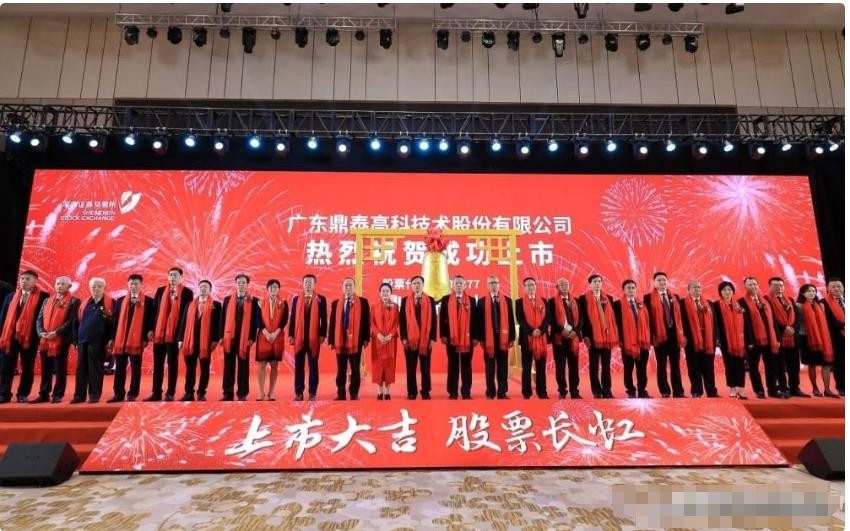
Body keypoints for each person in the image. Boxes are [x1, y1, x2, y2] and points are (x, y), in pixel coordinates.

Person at [0, 270, 49, 403]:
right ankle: (4, 394)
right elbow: (3, 316)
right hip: (9, 337)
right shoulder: (11, 296)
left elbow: (43, 318)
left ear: (35, 281)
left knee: (27, 366)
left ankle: (22, 393)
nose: (24, 281)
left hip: (29, 337)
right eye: (22, 278)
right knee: (6, 366)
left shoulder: (43, 296)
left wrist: (41, 334)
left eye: (27, 279)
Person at [147, 267, 194, 402]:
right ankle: (156, 392)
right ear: (168, 277)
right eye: (171, 275)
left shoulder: (187, 293)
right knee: (158, 364)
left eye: (175, 275)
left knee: (172, 364)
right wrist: (151, 329)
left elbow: (187, 315)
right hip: (159, 333)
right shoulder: (161, 290)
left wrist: (181, 335)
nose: (173, 277)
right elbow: (154, 311)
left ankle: (170, 392)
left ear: (181, 277)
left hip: (174, 334)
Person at [107, 274, 155, 403]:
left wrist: (145, 338)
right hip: (120, 340)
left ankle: (133, 393)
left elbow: (150, 322)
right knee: (119, 368)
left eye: (136, 284)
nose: (133, 286)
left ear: (141, 285)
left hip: (137, 341)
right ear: (128, 285)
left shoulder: (149, 301)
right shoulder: (120, 301)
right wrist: (112, 338)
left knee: (135, 368)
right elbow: (115, 321)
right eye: (131, 284)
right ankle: (118, 394)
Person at [34, 276, 80, 403]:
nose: (59, 286)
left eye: (62, 284)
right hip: (45, 340)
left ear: (69, 286)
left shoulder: (74, 301)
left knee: (60, 368)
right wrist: (41, 333)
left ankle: (57, 394)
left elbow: (71, 321)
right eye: (58, 283)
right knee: (46, 368)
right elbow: (39, 319)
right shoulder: (47, 300)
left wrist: (56, 333)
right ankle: (43, 394)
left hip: (61, 339)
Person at [71, 277, 114, 404]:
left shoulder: (110, 303)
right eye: (93, 286)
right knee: (81, 369)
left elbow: (114, 324)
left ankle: (94, 395)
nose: (96, 288)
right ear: (90, 288)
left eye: (99, 286)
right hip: (83, 340)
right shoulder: (85, 303)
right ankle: (79, 396)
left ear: (104, 288)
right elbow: (76, 323)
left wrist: (111, 339)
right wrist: (75, 340)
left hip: (99, 342)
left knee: (95, 369)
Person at [177, 280, 221, 401]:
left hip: (205, 342)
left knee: (204, 369)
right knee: (190, 369)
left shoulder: (216, 305)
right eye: (201, 287)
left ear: (210, 290)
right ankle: (189, 393)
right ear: (198, 289)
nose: (203, 289)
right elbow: (183, 322)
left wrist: (215, 340)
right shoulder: (190, 304)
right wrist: (180, 338)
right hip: (189, 340)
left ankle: (201, 393)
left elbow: (217, 324)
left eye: (206, 287)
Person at [644, 272, 687, 398]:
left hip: (674, 335)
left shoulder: (675, 297)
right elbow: (647, 319)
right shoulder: (648, 298)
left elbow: (680, 318)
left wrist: (682, 334)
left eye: (664, 280)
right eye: (659, 280)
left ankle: (678, 391)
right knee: (662, 364)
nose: (662, 282)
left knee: (675, 364)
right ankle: (665, 391)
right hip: (659, 335)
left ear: (667, 282)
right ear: (654, 283)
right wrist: (652, 336)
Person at [739, 277, 781, 399]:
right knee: (753, 367)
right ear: (745, 287)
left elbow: (773, 320)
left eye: (755, 284)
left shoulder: (765, 301)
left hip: (769, 339)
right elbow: (744, 324)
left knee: (771, 366)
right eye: (750, 284)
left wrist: (777, 338)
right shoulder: (741, 302)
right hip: (753, 340)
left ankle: (773, 390)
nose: (753, 287)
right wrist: (748, 340)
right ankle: (759, 390)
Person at [328, 278, 371, 401]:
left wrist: (366, 338)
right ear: (342, 288)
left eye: (350, 285)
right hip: (340, 341)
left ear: (354, 287)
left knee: (355, 369)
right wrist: (331, 340)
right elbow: (332, 323)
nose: (348, 287)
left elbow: (366, 322)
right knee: (341, 369)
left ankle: (354, 393)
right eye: (346, 285)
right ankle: (341, 393)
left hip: (356, 341)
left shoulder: (363, 302)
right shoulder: (336, 303)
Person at [578, 274, 619, 399]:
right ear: (590, 284)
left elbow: (613, 318)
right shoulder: (583, 299)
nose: (597, 284)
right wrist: (585, 336)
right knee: (594, 365)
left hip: (607, 337)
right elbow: (582, 319)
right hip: (593, 337)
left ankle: (607, 390)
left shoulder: (609, 298)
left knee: (606, 365)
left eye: (599, 281)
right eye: (594, 282)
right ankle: (596, 390)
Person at [288, 274, 327, 401]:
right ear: (302, 284)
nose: (308, 284)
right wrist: (291, 334)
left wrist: (322, 334)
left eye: (310, 282)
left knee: (313, 366)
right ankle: (298, 393)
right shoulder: (296, 299)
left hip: (314, 338)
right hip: (299, 338)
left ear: (314, 284)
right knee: (299, 366)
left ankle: (312, 393)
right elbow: (292, 318)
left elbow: (324, 319)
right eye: (306, 282)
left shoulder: (321, 299)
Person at [476, 275, 515, 399]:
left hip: (503, 338)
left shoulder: (507, 300)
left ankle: (502, 392)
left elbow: (511, 320)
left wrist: (512, 337)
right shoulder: (481, 301)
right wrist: (481, 339)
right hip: (489, 339)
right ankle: (490, 392)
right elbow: (479, 323)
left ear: (499, 285)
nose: (494, 285)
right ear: (488, 285)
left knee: (503, 367)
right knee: (490, 367)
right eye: (491, 283)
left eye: (496, 283)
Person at [765, 277, 806, 397]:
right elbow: (769, 318)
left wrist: (793, 329)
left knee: (794, 364)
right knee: (779, 365)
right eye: (776, 285)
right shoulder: (766, 300)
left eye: (781, 285)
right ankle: (783, 387)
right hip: (778, 337)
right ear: (770, 286)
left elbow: (798, 316)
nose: (779, 288)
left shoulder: (789, 300)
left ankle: (794, 387)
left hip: (793, 337)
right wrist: (783, 329)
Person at [399, 276, 437, 400]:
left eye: (419, 283)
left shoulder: (430, 300)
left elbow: (434, 320)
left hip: (426, 340)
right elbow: (402, 321)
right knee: (411, 367)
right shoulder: (405, 300)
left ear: (423, 285)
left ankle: (425, 391)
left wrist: (432, 338)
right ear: (411, 286)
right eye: (414, 283)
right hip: (410, 340)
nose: (417, 285)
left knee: (425, 367)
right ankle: (412, 392)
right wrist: (404, 338)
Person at [797, 284, 838, 397]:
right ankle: (815, 388)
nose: (812, 293)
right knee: (812, 364)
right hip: (807, 338)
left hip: (823, 338)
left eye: (813, 291)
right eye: (809, 291)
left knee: (826, 364)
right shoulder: (799, 306)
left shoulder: (820, 305)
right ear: (802, 293)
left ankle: (827, 389)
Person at [440, 275, 477, 400]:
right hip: (452, 338)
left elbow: (475, 320)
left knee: (467, 365)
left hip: (467, 338)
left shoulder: (472, 300)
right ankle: (452, 392)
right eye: (456, 283)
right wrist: (443, 335)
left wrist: (475, 337)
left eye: (461, 283)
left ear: (465, 285)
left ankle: (466, 392)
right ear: (452, 285)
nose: (459, 285)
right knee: (453, 365)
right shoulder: (446, 300)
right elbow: (442, 318)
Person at [221, 274, 257, 401]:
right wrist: (221, 336)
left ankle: (242, 393)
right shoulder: (227, 300)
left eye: (243, 283)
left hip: (244, 339)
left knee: (243, 366)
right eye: (239, 282)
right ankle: (227, 393)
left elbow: (254, 322)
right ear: (235, 284)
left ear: (247, 285)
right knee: (228, 366)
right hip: (229, 338)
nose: (241, 285)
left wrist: (252, 337)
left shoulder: (253, 301)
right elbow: (222, 319)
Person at [680, 280, 719, 398]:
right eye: (694, 287)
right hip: (691, 340)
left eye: (699, 287)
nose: (697, 289)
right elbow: (680, 322)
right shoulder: (682, 304)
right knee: (694, 367)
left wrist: (716, 338)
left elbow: (715, 322)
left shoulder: (709, 303)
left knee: (709, 367)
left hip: (708, 340)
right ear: (689, 290)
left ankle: (711, 391)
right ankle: (696, 391)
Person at [613, 279, 651, 398]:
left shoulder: (642, 304)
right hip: (627, 342)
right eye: (628, 288)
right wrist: (620, 339)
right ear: (623, 290)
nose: (631, 290)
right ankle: (630, 390)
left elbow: (648, 322)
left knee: (642, 368)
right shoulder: (618, 305)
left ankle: (642, 390)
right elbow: (616, 324)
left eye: (633, 288)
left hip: (642, 341)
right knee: (628, 368)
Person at [547, 278, 583, 399]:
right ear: (557, 287)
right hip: (559, 338)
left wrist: (575, 331)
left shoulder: (576, 300)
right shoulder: (552, 301)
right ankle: (562, 390)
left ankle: (574, 391)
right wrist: (562, 330)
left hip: (573, 338)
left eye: (566, 284)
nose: (564, 286)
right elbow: (550, 319)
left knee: (574, 366)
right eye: (562, 285)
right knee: (560, 366)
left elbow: (581, 319)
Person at [713, 281, 749, 399]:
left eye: (729, 289)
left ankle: (741, 388)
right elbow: (715, 324)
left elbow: (746, 324)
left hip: (740, 341)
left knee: (740, 364)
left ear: (733, 291)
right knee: (729, 364)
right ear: (720, 292)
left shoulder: (739, 305)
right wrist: (717, 339)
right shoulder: (716, 305)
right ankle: (732, 388)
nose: (727, 292)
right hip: (725, 341)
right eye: (724, 290)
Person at [515, 277, 549, 399]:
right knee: (527, 367)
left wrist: (540, 330)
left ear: (536, 286)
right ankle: (526, 392)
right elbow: (520, 319)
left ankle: (542, 392)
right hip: (527, 338)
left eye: (533, 285)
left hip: (541, 338)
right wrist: (531, 331)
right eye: (528, 285)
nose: (531, 287)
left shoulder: (544, 301)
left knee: (541, 367)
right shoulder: (519, 302)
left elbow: (547, 318)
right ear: (524, 287)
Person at [255, 279, 288, 401]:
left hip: (277, 336)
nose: (273, 289)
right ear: (267, 289)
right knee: (262, 364)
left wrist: (275, 333)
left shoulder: (283, 303)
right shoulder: (260, 302)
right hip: (263, 336)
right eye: (271, 287)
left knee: (274, 364)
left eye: (275, 287)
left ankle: (271, 392)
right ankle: (261, 392)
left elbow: (284, 321)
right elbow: (258, 320)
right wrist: (266, 333)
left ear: (278, 289)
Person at [371, 282, 399, 400]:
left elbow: (396, 323)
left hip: (390, 341)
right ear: (379, 293)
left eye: (387, 291)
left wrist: (390, 335)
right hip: (377, 340)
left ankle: (387, 391)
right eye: (383, 291)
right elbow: (372, 323)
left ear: (391, 293)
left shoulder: (395, 306)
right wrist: (378, 334)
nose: (385, 293)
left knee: (389, 365)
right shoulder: (374, 306)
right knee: (378, 365)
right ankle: (379, 391)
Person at [822, 278, 845, 397]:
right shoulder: (824, 302)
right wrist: (843, 327)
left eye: (839, 286)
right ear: (828, 289)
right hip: (837, 337)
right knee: (840, 363)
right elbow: (828, 319)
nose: (837, 289)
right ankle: (842, 387)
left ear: (843, 287)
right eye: (833, 287)